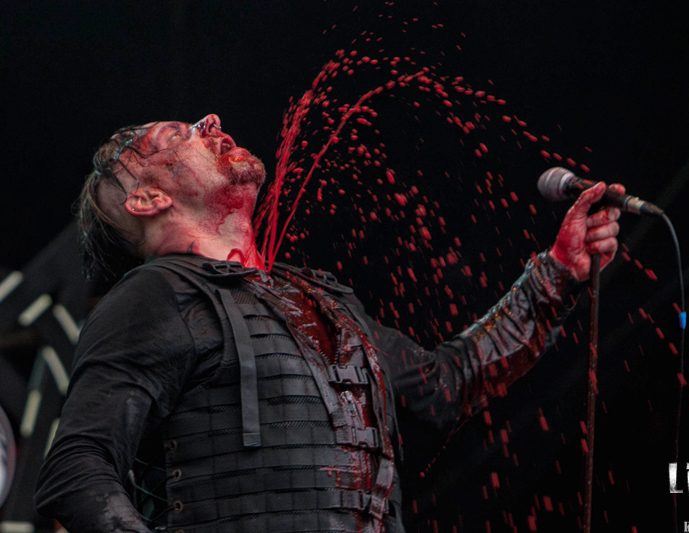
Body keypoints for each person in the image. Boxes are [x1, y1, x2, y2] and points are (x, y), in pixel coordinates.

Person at [34, 114, 622, 533]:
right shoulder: (153, 296)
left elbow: (447, 385)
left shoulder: (321, 301)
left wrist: (557, 273)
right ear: (147, 199)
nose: (209, 121)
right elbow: (76, 471)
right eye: (175, 135)